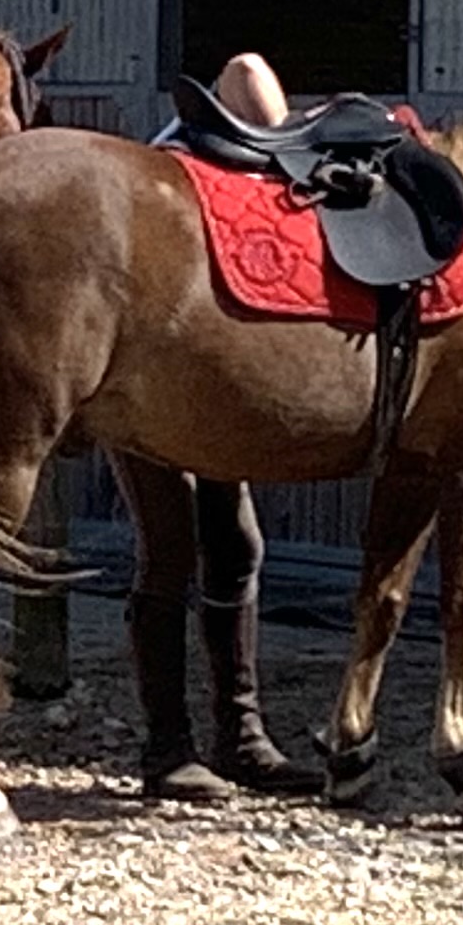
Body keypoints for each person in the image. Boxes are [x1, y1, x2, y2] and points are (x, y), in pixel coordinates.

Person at [143, 51, 322, 800]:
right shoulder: (165, 182)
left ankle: (239, 734)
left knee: (234, 542)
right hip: (151, 379)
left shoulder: (236, 179)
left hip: (212, 382)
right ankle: (168, 745)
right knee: (172, 546)